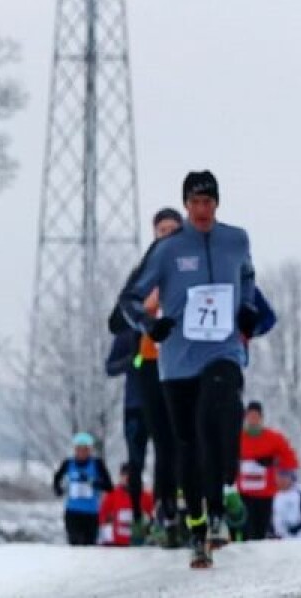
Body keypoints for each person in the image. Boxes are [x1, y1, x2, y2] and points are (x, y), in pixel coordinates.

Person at [117, 170, 258, 569]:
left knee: (214, 421)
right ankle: (196, 524)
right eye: (194, 202)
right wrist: (150, 325)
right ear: (185, 205)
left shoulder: (236, 240)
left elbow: (247, 275)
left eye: (208, 201)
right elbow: (129, 299)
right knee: (187, 445)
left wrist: (247, 308)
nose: (202, 210)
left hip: (223, 352)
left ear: (217, 203)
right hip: (177, 362)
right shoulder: (167, 250)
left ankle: (216, 514)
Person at [107, 207, 183, 547]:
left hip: (178, 374)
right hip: (142, 385)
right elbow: (116, 322)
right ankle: (143, 514)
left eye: (173, 229)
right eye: (161, 230)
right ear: (154, 234)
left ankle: (174, 509)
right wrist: (143, 320)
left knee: (175, 448)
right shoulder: (142, 274)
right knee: (141, 456)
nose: (167, 235)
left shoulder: (189, 267)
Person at [236, 401, 299, 541]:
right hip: (244, 493)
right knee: (247, 528)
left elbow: (291, 461)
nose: (253, 420)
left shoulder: (274, 439)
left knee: (261, 528)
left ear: (261, 418)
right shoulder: (237, 438)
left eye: (256, 417)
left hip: (266, 493)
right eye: (250, 417)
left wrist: (275, 462)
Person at [53, 432, 114, 546]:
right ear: (75, 449)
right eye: (78, 449)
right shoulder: (68, 463)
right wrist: (58, 489)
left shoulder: (97, 464)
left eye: (85, 449)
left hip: (91, 513)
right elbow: (57, 478)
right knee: (75, 544)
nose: (81, 452)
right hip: (72, 512)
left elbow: (109, 487)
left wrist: (94, 483)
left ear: (89, 450)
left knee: (89, 546)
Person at [99, 463, 155, 546]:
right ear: (120, 477)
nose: (128, 479)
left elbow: (153, 517)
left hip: (140, 543)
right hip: (117, 544)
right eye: (125, 475)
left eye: (131, 476)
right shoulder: (112, 495)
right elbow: (102, 517)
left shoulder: (146, 496)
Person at [271, 469, 301, 540]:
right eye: (279, 476)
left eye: (285, 476)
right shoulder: (273, 495)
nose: (282, 480)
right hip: (278, 539)